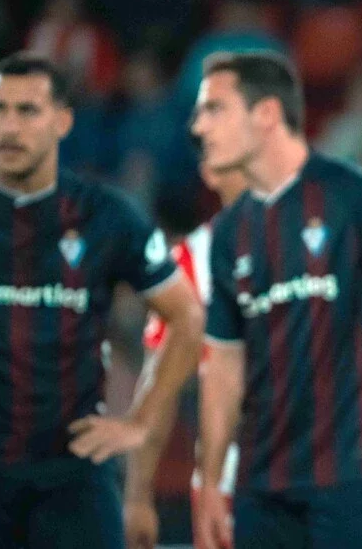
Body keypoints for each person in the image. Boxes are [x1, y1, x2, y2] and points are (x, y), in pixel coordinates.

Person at [191, 51, 362, 549]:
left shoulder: (357, 199)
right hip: (262, 484)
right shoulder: (229, 234)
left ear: (266, 113)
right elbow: (223, 365)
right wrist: (208, 481)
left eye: (214, 110)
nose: (199, 126)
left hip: (357, 476)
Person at [0, 52, 204, 548]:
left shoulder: (104, 215)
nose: (9, 126)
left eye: (28, 111)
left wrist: (141, 421)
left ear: (63, 121)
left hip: (75, 472)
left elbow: (187, 317)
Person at [124, 162, 248, 549]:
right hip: (228, 486)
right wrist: (137, 494)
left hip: (328, 476)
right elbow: (159, 385)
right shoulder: (192, 260)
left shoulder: (330, 237)